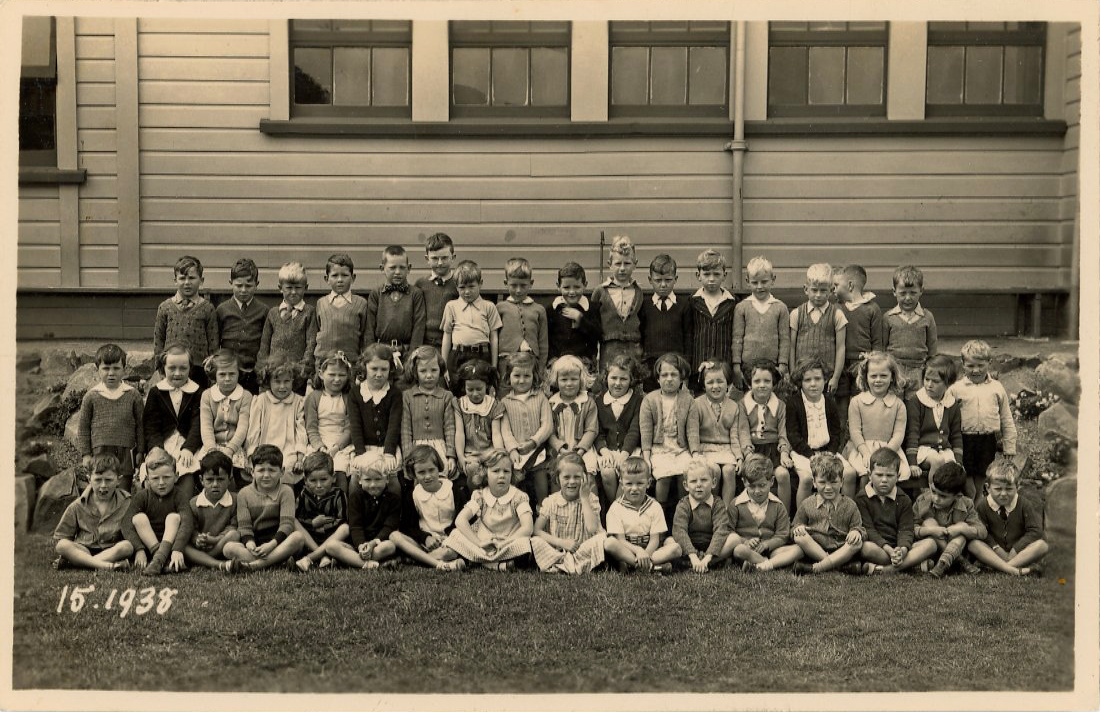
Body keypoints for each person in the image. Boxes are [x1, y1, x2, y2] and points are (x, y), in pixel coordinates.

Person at [947, 339, 1018, 500]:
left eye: (981, 365)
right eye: (970, 366)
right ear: (962, 364)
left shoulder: (996, 388)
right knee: (968, 485)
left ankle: (977, 516)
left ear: (989, 363)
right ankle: (970, 508)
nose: (976, 370)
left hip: (987, 440)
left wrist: (1009, 446)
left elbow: (1006, 417)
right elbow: (946, 418)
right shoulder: (956, 389)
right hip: (963, 440)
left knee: (980, 482)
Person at [442, 449, 534, 571]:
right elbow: (460, 520)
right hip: (484, 543)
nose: (502, 475)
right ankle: (498, 566)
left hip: (509, 542)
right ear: (485, 472)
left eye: (506, 471)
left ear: (512, 474)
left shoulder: (518, 497)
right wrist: (479, 542)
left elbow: (527, 528)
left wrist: (505, 543)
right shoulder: (480, 496)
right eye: (496, 471)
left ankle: (477, 562)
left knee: (525, 545)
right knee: (456, 534)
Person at [854, 448, 936, 575]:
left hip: (899, 548)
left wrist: (901, 550)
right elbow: (868, 530)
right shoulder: (862, 498)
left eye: (890, 475)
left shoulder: (903, 499)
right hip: (878, 548)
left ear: (898, 477)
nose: (884, 480)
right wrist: (889, 550)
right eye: (879, 475)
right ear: (870, 475)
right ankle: (912, 565)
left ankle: (885, 570)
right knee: (865, 548)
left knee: (931, 544)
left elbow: (906, 530)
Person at [223, 444, 306, 571]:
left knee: (298, 537)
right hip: (256, 546)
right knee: (228, 548)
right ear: (252, 472)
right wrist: (250, 544)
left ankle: (254, 566)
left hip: (279, 542)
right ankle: (277, 561)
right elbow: (245, 527)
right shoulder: (244, 494)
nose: (266, 475)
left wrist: (271, 545)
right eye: (261, 470)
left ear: (282, 471)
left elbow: (287, 525)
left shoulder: (286, 491)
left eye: (272, 470)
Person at [388, 445, 469, 571]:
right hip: (424, 543)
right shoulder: (413, 495)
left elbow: (463, 520)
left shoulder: (453, 490)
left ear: (439, 469)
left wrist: (448, 537)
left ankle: (416, 560)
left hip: (450, 542)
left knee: (450, 553)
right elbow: (408, 527)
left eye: (431, 470)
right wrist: (425, 538)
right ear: (414, 474)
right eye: (421, 472)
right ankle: (439, 563)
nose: (427, 476)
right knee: (394, 536)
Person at [77, 343, 144, 493]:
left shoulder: (133, 395)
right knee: (102, 489)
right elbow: (83, 427)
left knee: (123, 491)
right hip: (100, 451)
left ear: (124, 370)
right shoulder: (91, 396)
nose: (111, 373)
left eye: (116, 368)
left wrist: (140, 450)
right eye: (106, 369)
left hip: (125, 452)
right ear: (97, 370)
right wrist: (86, 454)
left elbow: (140, 425)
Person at [786, 358, 854, 507]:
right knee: (807, 479)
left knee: (849, 474)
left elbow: (837, 431)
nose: (813, 384)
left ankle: (845, 515)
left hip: (827, 452)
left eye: (817, 379)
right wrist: (811, 455)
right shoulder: (793, 402)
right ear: (800, 383)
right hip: (803, 452)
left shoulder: (829, 401)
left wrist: (831, 452)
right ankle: (800, 520)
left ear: (825, 380)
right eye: (807, 380)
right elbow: (793, 434)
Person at [52, 453, 134, 571]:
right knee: (62, 545)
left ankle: (82, 563)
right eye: (98, 480)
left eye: (109, 480)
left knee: (127, 546)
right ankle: (106, 565)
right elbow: (63, 536)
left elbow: (133, 533)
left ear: (118, 480)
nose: (103, 485)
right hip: (84, 549)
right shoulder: (78, 505)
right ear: (89, 479)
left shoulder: (127, 502)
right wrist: (70, 549)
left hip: (112, 550)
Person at [639, 352, 695, 518]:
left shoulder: (688, 399)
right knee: (663, 476)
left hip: (680, 449)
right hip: (659, 449)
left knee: (686, 473)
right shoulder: (650, 400)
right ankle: (660, 517)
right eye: (664, 375)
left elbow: (692, 431)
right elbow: (646, 431)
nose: (669, 379)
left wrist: (696, 453)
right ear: (658, 378)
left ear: (681, 378)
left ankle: (683, 518)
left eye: (673, 375)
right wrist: (646, 456)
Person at [122, 447, 193, 576]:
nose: (161, 483)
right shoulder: (142, 496)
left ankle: (158, 560)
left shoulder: (179, 495)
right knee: (138, 518)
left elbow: (188, 521)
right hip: (150, 546)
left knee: (174, 518)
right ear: (147, 479)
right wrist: (139, 549)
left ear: (176, 476)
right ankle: (160, 559)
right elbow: (126, 524)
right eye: (155, 479)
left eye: (166, 477)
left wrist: (177, 549)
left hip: (171, 546)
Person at [725, 454, 803, 573]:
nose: (757, 491)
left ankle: (761, 565)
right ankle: (768, 563)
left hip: (771, 551)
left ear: (771, 481)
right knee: (739, 550)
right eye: (752, 486)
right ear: (744, 482)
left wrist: (768, 544)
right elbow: (729, 531)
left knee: (799, 550)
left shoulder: (778, 505)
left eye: (762, 485)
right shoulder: (735, 504)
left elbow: (782, 535)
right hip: (747, 549)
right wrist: (745, 541)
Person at [531, 453, 607, 574]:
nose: (572, 481)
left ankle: (565, 566)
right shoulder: (551, 501)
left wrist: (584, 499)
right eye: (566, 477)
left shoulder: (591, 499)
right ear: (557, 479)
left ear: (584, 478)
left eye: (577, 477)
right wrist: (561, 543)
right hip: (558, 551)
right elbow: (537, 530)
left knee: (602, 538)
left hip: (582, 550)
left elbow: (593, 529)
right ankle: (565, 564)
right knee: (535, 541)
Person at [843, 351, 907, 493]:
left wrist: (886, 454)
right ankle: (858, 508)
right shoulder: (857, 402)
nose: (878, 380)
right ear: (866, 377)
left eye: (883, 376)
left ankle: (882, 509)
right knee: (866, 473)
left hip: (889, 449)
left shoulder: (898, 404)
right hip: (861, 449)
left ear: (892, 377)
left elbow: (898, 433)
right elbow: (855, 431)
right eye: (873, 376)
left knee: (887, 474)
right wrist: (865, 453)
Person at [790, 452, 864, 575]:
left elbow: (859, 527)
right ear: (814, 482)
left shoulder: (850, 505)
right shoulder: (807, 504)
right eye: (822, 482)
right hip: (815, 548)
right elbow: (794, 527)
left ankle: (816, 568)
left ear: (842, 482)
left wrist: (856, 532)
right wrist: (798, 528)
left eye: (833, 482)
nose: (828, 487)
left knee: (857, 543)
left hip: (841, 549)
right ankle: (839, 567)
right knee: (799, 537)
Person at [968, 461, 1047, 576]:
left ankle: (1002, 567)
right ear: (988, 488)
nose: (1003, 493)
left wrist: (1016, 549)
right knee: (973, 544)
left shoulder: (1024, 504)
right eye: (998, 489)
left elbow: (1035, 531)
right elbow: (983, 532)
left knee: (1042, 545)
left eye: (1009, 489)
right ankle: (1013, 569)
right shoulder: (982, 506)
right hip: (995, 552)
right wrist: (996, 548)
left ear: (1017, 487)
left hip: (1019, 553)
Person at [142, 343, 203, 493]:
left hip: (187, 443)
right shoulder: (156, 392)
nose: (177, 373)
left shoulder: (197, 392)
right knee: (154, 473)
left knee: (186, 470)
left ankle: (183, 504)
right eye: (172, 368)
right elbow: (150, 425)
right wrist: (156, 447)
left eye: (183, 368)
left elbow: (198, 424)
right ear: (163, 368)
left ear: (190, 368)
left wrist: (189, 448)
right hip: (163, 442)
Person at [737, 359, 794, 514]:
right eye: (757, 381)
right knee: (751, 475)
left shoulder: (780, 405)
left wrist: (784, 452)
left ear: (773, 383)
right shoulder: (742, 405)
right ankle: (748, 516)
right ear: (749, 384)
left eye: (767, 381)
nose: (762, 385)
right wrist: (748, 453)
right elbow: (743, 431)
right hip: (753, 449)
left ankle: (784, 516)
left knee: (782, 474)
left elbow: (783, 432)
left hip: (773, 450)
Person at [153, 255, 218, 388]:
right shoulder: (165, 307)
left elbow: (213, 342)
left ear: (201, 280)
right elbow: (158, 340)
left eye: (192, 278)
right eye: (182, 278)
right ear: (175, 280)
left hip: (199, 369)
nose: (187, 282)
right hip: (172, 368)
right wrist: (160, 367)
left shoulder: (207, 308)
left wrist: (212, 368)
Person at [912, 462, 986, 578]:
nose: (936, 498)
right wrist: (930, 531)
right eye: (933, 491)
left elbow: (982, 532)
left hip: (957, 546)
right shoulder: (922, 501)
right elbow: (910, 529)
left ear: (957, 496)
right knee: (928, 522)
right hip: (932, 549)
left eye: (943, 496)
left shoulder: (966, 504)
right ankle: (960, 562)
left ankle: (942, 566)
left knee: (962, 528)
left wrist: (962, 529)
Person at [687, 360, 744, 509]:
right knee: (714, 470)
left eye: (720, 381)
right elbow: (693, 432)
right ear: (703, 384)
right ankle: (711, 508)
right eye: (710, 382)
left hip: (726, 449)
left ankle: (725, 510)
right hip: (705, 450)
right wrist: (695, 453)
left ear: (728, 384)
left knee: (729, 470)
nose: (715, 386)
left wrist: (739, 456)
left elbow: (734, 436)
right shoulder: (696, 404)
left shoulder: (733, 406)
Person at [602, 457, 676, 574]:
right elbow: (620, 540)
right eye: (629, 484)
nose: (634, 488)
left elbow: (654, 539)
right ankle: (652, 567)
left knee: (674, 547)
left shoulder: (654, 506)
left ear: (648, 483)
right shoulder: (616, 508)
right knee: (609, 543)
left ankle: (634, 565)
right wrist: (638, 551)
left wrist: (645, 554)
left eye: (640, 483)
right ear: (621, 484)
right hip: (627, 550)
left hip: (650, 550)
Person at [832, 264, 883, 432]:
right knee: (841, 401)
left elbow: (877, 341)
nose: (833, 290)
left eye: (836, 285)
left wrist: (872, 361)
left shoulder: (872, 309)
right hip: (839, 363)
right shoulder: (837, 308)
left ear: (851, 285)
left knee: (860, 401)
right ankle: (841, 437)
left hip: (861, 365)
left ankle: (858, 434)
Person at [500, 352, 553, 510]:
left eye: (526, 376)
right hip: (517, 453)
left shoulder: (540, 397)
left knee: (541, 479)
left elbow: (547, 425)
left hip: (537, 450)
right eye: (517, 375)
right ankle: (517, 514)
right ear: (509, 376)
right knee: (516, 484)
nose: (521, 380)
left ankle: (543, 511)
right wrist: (512, 450)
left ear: (534, 376)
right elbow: (505, 430)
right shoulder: (505, 402)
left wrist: (533, 442)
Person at [347, 343, 403, 493]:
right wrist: (360, 453)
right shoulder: (355, 394)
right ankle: (354, 516)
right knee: (355, 482)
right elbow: (355, 425)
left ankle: (394, 515)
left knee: (392, 482)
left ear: (390, 369)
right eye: (374, 369)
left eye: (384, 369)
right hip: (363, 448)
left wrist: (389, 452)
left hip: (386, 449)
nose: (379, 374)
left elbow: (394, 425)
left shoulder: (394, 394)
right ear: (365, 367)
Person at [246, 356, 308, 490]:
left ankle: (286, 503)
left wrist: (299, 458)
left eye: (287, 381)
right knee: (263, 470)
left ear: (293, 381)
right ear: (268, 381)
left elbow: (301, 431)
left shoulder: (298, 402)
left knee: (287, 467)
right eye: (277, 381)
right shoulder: (261, 401)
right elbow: (254, 430)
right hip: (264, 449)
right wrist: (251, 455)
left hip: (288, 450)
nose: (282, 386)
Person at [904, 354, 963, 494]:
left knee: (955, 470)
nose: (929, 385)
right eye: (927, 379)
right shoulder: (916, 401)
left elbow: (956, 435)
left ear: (948, 383)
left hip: (944, 450)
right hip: (923, 450)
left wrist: (958, 460)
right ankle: (933, 496)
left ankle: (949, 501)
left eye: (935, 381)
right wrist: (912, 462)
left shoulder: (952, 404)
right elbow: (912, 433)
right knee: (937, 461)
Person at [324, 462, 401, 569]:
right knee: (331, 546)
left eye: (378, 479)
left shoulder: (393, 500)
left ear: (387, 479)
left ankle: (351, 560)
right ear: (360, 480)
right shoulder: (356, 497)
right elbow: (355, 526)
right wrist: (361, 546)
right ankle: (372, 565)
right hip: (357, 546)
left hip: (378, 544)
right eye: (367, 480)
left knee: (390, 546)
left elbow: (389, 527)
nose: (373, 484)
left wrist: (372, 544)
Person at [593, 354, 643, 511]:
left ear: (632, 380)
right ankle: (614, 508)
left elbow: (635, 431)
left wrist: (624, 454)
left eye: (623, 379)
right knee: (607, 473)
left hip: (629, 450)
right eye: (613, 378)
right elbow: (597, 432)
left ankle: (617, 512)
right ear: (606, 377)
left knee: (626, 472)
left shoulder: (637, 401)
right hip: (607, 449)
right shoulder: (599, 401)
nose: (617, 383)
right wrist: (604, 451)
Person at [731, 255, 789, 391]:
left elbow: (785, 339)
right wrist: (736, 365)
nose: (759, 287)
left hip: (772, 366)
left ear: (773, 280)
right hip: (748, 366)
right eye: (755, 282)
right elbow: (737, 338)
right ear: (747, 281)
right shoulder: (742, 307)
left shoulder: (780, 308)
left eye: (764, 282)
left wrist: (782, 364)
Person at [258, 262, 316, 396]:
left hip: (297, 375)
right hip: (274, 372)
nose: (294, 292)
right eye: (289, 288)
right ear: (280, 288)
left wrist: (303, 368)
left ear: (306, 288)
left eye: (298, 288)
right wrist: (263, 367)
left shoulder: (309, 312)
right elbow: (264, 344)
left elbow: (311, 343)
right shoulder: (273, 313)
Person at [196, 349, 253, 485]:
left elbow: (243, 427)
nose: (227, 379)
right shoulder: (207, 395)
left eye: (232, 374)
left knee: (235, 476)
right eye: (222, 374)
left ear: (239, 374)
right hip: (212, 445)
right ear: (215, 374)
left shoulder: (245, 396)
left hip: (235, 446)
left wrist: (230, 449)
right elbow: (206, 426)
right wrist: (211, 449)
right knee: (209, 470)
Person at [789, 263, 847, 396]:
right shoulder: (797, 314)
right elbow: (792, 346)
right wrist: (793, 375)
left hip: (826, 377)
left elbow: (840, 348)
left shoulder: (837, 315)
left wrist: (836, 378)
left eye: (823, 291)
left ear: (832, 290)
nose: (818, 295)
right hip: (803, 377)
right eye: (814, 290)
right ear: (806, 289)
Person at [666, 460, 733, 573]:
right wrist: (693, 556)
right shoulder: (683, 505)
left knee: (734, 539)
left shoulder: (718, 504)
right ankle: (697, 563)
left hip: (711, 545)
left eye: (704, 480)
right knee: (669, 541)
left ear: (714, 483)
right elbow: (680, 531)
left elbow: (720, 531)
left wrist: (707, 556)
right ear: (686, 486)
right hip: (689, 546)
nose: (698, 485)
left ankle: (705, 563)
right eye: (693, 481)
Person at [401, 346, 458, 478]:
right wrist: (408, 457)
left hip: (439, 448)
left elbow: (450, 428)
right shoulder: (407, 396)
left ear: (440, 370)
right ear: (415, 373)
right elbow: (405, 430)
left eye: (434, 370)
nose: (429, 375)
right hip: (416, 449)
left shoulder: (446, 396)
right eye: (423, 371)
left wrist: (451, 455)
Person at [638, 254, 692, 392]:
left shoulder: (684, 305)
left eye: (668, 280)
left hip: (675, 368)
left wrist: (685, 370)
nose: (663, 284)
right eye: (658, 280)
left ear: (676, 279)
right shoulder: (644, 305)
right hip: (651, 369)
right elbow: (641, 337)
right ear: (650, 280)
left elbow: (688, 338)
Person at [589, 235, 643, 372]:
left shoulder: (639, 292)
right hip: (609, 348)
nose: (623, 268)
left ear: (635, 264)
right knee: (609, 380)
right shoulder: (600, 292)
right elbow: (593, 325)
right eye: (618, 264)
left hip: (633, 348)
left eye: (627, 263)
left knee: (632, 379)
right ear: (609, 264)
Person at [183, 451, 243, 573]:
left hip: (223, 545)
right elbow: (191, 529)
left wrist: (215, 540)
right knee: (184, 547)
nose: (215, 485)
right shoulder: (193, 503)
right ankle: (219, 564)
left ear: (229, 480)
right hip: (201, 547)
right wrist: (198, 539)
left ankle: (205, 560)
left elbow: (233, 526)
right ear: (201, 480)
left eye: (220, 479)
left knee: (234, 534)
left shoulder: (236, 500)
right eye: (210, 480)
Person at [883, 265, 937, 399]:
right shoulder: (888, 317)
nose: (908, 298)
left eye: (913, 293)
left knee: (915, 404)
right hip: (895, 369)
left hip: (918, 370)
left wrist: (929, 369)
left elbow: (932, 347)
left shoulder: (927, 317)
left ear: (921, 291)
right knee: (894, 404)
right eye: (903, 293)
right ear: (894, 292)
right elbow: (882, 346)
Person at [440, 260, 502, 378]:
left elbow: (494, 337)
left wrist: (494, 366)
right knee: (457, 389)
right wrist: (443, 366)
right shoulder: (451, 306)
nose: (467, 292)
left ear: (480, 283)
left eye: (471, 286)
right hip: (458, 355)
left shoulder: (489, 306)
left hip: (481, 355)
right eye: (462, 287)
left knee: (479, 389)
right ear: (456, 287)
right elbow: (447, 336)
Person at [687, 249, 738, 392]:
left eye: (716, 274)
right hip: (698, 367)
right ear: (698, 275)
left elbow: (735, 335)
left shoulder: (732, 303)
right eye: (706, 274)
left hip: (723, 366)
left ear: (724, 275)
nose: (711, 279)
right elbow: (689, 335)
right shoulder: (692, 302)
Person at [366, 245, 426, 365]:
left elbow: (418, 327)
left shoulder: (416, 294)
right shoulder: (376, 294)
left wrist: (412, 356)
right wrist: (371, 355)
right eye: (392, 268)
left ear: (409, 268)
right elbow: (369, 328)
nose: (397, 272)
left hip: (406, 352)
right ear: (382, 268)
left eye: (402, 268)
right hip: (380, 352)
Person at [304, 350, 355, 491]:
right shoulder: (313, 397)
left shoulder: (348, 398)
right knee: (313, 468)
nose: (337, 379)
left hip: (341, 444)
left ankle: (340, 506)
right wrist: (320, 447)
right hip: (319, 443)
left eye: (342, 375)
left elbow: (349, 428)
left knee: (339, 469)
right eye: (332, 375)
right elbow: (311, 428)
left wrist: (336, 447)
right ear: (321, 374)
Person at [452, 358, 505, 491]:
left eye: (479, 389)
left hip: (489, 450)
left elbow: (496, 434)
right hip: (470, 452)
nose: (475, 393)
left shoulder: (493, 405)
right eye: (470, 389)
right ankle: (475, 499)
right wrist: (460, 456)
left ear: (486, 385)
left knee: (496, 469)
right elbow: (459, 432)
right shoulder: (460, 404)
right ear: (464, 387)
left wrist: (499, 454)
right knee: (472, 469)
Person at [216, 257, 267, 395]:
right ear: (231, 283)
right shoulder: (222, 310)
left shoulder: (263, 310)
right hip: (229, 370)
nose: (243, 290)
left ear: (257, 284)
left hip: (252, 372)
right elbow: (216, 340)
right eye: (239, 286)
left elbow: (265, 342)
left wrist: (260, 367)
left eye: (249, 286)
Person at [310, 252, 369, 367]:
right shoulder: (321, 303)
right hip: (324, 363)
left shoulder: (361, 304)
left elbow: (364, 335)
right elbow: (316, 331)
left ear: (353, 278)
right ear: (327, 279)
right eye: (335, 275)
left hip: (351, 363)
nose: (340, 280)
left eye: (345, 275)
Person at [293, 451, 350, 572]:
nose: (319, 485)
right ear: (305, 480)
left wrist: (323, 527)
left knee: (345, 528)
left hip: (331, 536)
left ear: (333, 478)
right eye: (313, 481)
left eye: (323, 479)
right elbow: (298, 518)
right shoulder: (304, 495)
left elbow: (342, 519)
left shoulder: (339, 495)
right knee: (292, 522)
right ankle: (323, 556)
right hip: (311, 538)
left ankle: (310, 558)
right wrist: (312, 524)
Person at [546, 355, 600, 481]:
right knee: (557, 473)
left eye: (574, 379)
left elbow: (591, 430)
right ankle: (558, 500)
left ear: (581, 380)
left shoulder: (588, 402)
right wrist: (560, 448)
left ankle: (591, 499)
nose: (569, 384)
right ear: (556, 380)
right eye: (564, 380)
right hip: (560, 448)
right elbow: (549, 431)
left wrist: (580, 450)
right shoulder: (551, 403)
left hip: (582, 448)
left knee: (588, 474)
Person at [496, 257, 548, 384]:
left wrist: (541, 368)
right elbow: (494, 339)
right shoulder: (500, 308)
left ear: (531, 283)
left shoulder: (539, 310)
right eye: (513, 285)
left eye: (523, 285)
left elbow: (543, 342)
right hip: (506, 360)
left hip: (531, 360)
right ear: (505, 283)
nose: (518, 290)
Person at [548, 261, 598, 367]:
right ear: (558, 286)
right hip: (558, 362)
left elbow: (597, 334)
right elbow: (548, 339)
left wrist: (581, 319)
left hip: (584, 362)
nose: (572, 292)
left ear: (585, 285)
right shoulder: (552, 309)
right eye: (566, 288)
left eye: (576, 287)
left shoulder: (591, 308)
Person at [416, 232, 460, 350]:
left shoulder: (459, 284)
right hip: (425, 343)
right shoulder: (420, 284)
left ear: (453, 258)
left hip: (450, 343)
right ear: (427, 259)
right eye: (435, 258)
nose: (440, 263)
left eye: (444, 258)